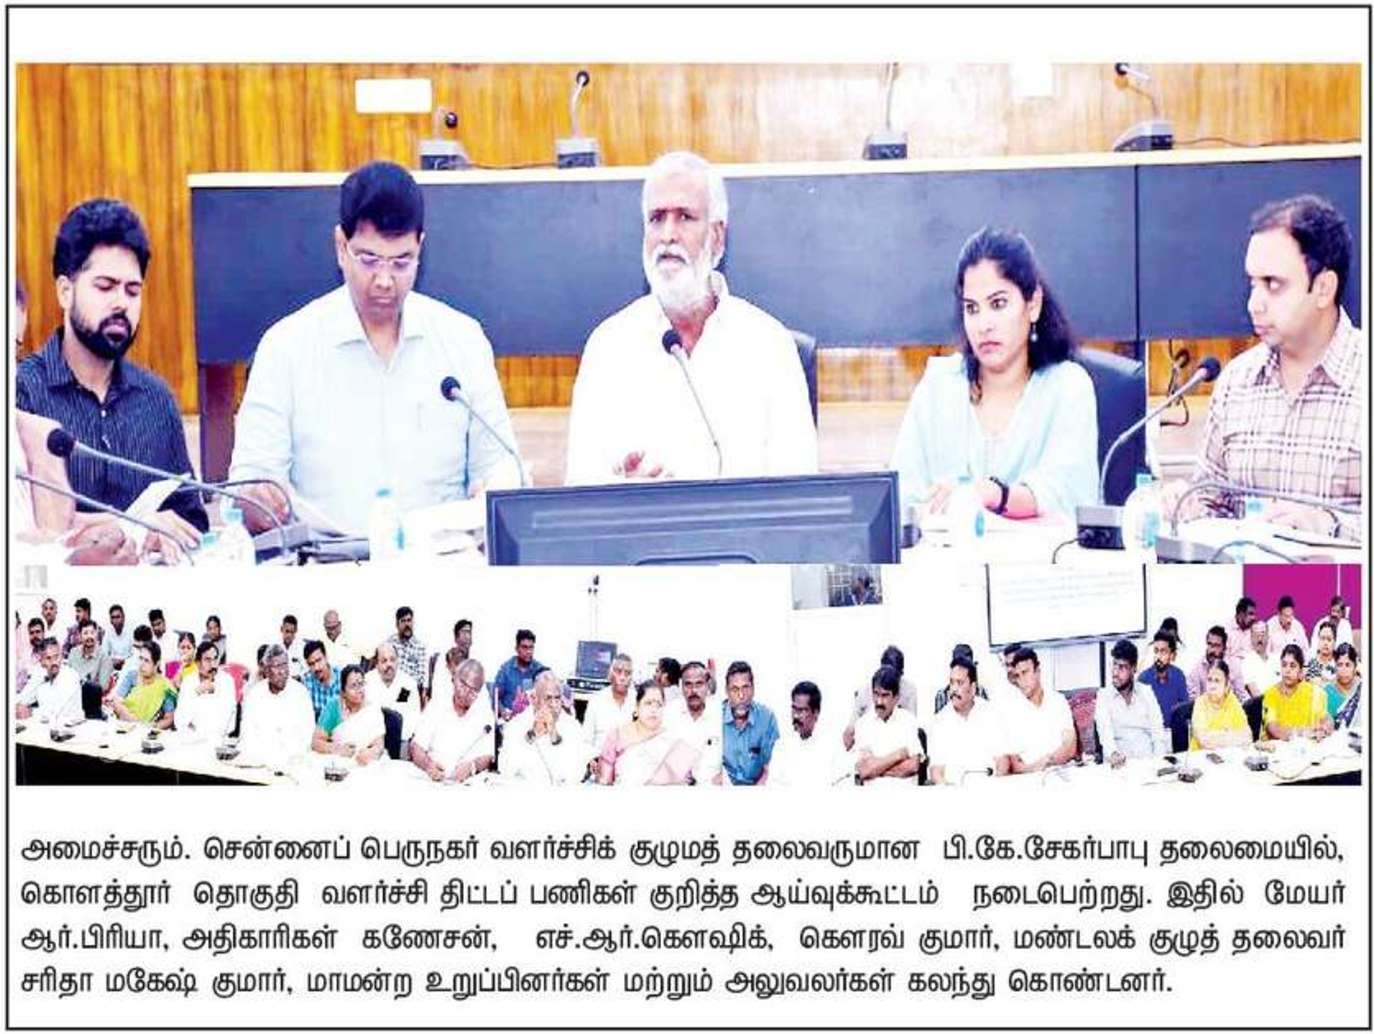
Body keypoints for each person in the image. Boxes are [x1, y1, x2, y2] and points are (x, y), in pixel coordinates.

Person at [229, 160, 521, 536]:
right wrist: (257, 499)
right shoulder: (286, 348)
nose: (384, 280)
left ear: (420, 249)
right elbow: (250, 484)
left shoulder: (462, 340)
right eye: (368, 260)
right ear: (341, 247)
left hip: (441, 559)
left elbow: (500, 463)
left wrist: (497, 486)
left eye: (401, 262)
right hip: (326, 562)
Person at [564, 150, 817, 485]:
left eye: (684, 217)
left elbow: (799, 493)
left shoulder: (769, 346)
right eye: (656, 218)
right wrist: (623, 495)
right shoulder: (608, 348)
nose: (668, 235)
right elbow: (579, 494)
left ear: (717, 236)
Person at [16, 198, 206, 553]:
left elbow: (191, 523)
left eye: (132, 291)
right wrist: (134, 527)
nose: (121, 303)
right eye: (105, 287)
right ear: (65, 292)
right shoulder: (19, 393)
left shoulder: (156, 400)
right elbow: (20, 527)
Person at [1176, 195, 1361, 538]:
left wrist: (1329, 526)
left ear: (1324, 288)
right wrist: (1185, 505)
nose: (1254, 304)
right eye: (1252, 283)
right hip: (1244, 573)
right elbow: (1211, 501)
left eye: (1273, 285)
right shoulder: (1236, 381)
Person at [890, 226, 1098, 520]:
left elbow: (1065, 496)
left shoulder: (1068, 387)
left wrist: (991, 494)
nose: (983, 324)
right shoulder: (939, 386)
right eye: (972, 309)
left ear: (1033, 304)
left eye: (998, 304)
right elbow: (902, 498)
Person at [409, 658, 495, 784]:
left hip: (468, 783)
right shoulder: (437, 704)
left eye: (473, 690)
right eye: (463, 684)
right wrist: (428, 765)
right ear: (454, 678)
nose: (465, 693)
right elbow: (416, 747)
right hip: (432, 780)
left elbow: (488, 755)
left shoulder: (485, 714)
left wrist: (473, 766)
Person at [928, 657, 1012, 784]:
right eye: (951, 683)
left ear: (973, 688)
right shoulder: (939, 721)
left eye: (959, 683)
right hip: (953, 790)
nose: (954, 689)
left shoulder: (991, 714)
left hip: (989, 787)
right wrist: (946, 789)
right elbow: (936, 772)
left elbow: (1003, 762)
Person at [500, 671, 593, 785]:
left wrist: (555, 737)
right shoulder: (516, 726)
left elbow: (577, 773)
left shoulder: (573, 727)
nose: (554, 705)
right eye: (548, 698)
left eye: (557, 698)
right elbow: (505, 769)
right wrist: (533, 734)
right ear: (534, 699)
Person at [597, 681, 695, 785]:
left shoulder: (673, 739)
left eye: (659, 705)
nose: (654, 710)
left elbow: (685, 781)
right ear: (637, 706)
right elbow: (604, 781)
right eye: (648, 703)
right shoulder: (617, 736)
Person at [238, 644, 315, 769]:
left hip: (293, 763)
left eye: (285, 665)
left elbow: (307, 735)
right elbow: (247, 734)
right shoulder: (255, 694)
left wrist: (288, 758)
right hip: (259, 762)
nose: (282, 671)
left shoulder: (301, 693)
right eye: (277, 666)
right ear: (267, 671)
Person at [1095, 639, 1167, 766]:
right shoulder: (1103, 697)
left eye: (1122, 667)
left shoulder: (1146, 693)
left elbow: (1158, 733)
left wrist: (1158, 763)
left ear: (1133, 668)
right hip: (1119, 766)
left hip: (1147, 763)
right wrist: (1113, 754)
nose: (1115, 673)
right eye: (1114, 665)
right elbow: (1105, 736)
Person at [1005, 647, 1077, 774]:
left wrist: (1048, 761)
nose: (1022, 680)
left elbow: (1070, 746)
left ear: (1037, 672)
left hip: (1062, 770)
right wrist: (1036, 768)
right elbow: (1015, 764)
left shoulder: (1057, 701)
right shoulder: (1012, 710)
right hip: (1030, 777)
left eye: (1025, 672)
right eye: (1017, 676)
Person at [853, 665, 924, 784]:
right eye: (876, 694)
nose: (879, 701)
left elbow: (913, 766)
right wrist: (898, 755)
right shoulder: (862, 724)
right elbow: (864, 770)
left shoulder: (908, 721)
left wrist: (876, 768)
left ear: (896, 698)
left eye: (885, 695)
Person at [844, 644, 919, 749]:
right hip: (870, 737)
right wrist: (850, 730)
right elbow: (854, 721)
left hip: (898, 739)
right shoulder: (864, 690)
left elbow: (911, 726)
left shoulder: (909, 690)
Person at [312, 664, 386, 766]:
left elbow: (379, 745)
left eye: (361, 684)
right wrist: (337, 749)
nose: (359, 690)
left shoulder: (372, 708)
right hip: (339, 763)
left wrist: (371, 753)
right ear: (343, 692)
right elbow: (316, 742)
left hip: (367, 763)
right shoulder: (334, 707)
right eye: (353, 686)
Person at [721, 660, 780, 786]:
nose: (741, 696)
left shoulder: (767, 718)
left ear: (753, 688)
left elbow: (771, 767)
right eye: (734, 689)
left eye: (745, 688)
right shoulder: (715, 717)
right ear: (726, 691)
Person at [662, 660, 721, 784]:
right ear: (681, 687)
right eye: (688, 684)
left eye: (699, 684)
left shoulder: (720, 715)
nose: (693, 690)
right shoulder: (668, 713)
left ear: (707, 685)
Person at [1262, 644, 1334, 741]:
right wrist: (1302, 733)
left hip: (1307, 746)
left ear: (1300, 671)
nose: (1287, 670)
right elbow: (1273, 728)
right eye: (1284, 665)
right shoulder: (1270, 694)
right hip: (1278, 747)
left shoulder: (1312, 692)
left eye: (1292, 666)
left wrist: (1324, 728)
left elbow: (1327, 718)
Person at [173, 641, 236, 741]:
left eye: (215, 659)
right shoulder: (189, 682)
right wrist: (196, 693)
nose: (213, 665)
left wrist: (215, 691)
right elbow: (179, 720)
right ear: (197, 663)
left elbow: (227, 722)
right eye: (207, 660)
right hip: (190, 738)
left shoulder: (226, 681)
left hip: (218, 740)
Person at [15, 638, 82, 724]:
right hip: (46, 725)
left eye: (56, 657)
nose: (54, 662)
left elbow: (57, 712)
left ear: (61, 656)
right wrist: (17, 706)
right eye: (48, 658)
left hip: (71, 726)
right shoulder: (40, 674)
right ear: (41, 661)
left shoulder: (70, 676)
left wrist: (31, 711)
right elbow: (23, 697)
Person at [1189, 659, 1252, 750]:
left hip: (1228, 755)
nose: (1212, 686)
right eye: (1209, 680)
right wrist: (1230, 734)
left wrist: (1216, 736)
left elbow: (1248, 737)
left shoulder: (1232, 701)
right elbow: (1204, 741)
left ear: (1227, 685)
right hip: (1201, 755)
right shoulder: (1200, 703)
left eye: (1217, 681)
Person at [111, 641, 176, 728]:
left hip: (148, 730)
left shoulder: (165, 686)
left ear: (157, 664)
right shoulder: (132, 676)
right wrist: (134, 722)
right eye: (140, 658)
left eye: (146, 661)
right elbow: (117, 701)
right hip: (125, 725)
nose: (141, 664)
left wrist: (152, 728)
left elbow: (169, 718)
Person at [582, 652, 636, 755]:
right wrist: (592, 759)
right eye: (618, 672)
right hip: (600, 760)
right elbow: (586, 741)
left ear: (632, 676)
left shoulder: (638, 701)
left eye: (627, 673)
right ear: (610, 674)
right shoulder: (596, 701)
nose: (622, 677)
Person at [364, 641, 419, 742]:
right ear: (376, 664)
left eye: (392, 660)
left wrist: (398, 738)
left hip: (401, 740)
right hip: (372, 739)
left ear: (398, 661)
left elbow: (413, 717)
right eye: (384, 661)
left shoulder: (407, 684)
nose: (389, 664)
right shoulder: (366, 682)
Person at [492, 629, 548, 723]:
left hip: (531, 720)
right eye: (524, 647)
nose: (529, 651)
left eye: (531, 647)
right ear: (517, 648)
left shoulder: (539, 669)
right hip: (509, 719)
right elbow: (496, 697)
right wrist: (502, 711)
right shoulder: (506, 669)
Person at [1185, 626, 1246, 704]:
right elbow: (1194, 701)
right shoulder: (1197, 669)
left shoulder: (1234, 666)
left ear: (1224, 648)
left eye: (1217, 645)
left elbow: (1241, 697)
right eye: (1210, 644)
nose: (1212, 650)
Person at [1139, 630, 1189, 721]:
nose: (1158, 656)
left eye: (1163, 651)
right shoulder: (1143, 679)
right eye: (1156, 651)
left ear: (1172, 655)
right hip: (1151, 728)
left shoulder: (1179, 676)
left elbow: (1184, 710)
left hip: (1174, 728)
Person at [387, 605, 428, 700]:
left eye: (409, 620)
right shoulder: (389, 644)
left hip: (410, 692)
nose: (407, 624)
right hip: (391, 688)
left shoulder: (419, 647)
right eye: (403, 621)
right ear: (397, 625)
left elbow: (421, 677)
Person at [67, 619, 113, 694]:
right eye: (85, 633)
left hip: (93, 696)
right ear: (80, 636)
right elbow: (67, 678)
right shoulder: (73, 653)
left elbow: (103, 687)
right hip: (73, 694)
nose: (89, 636)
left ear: (96, 635)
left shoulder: (104, 656)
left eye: (92, 633)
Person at [429, 618, 473, 695]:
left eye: (469, 632)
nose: (467, 636)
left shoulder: (471, 663)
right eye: (464, 632)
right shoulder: (447, 658)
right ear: (456, 637)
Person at [301, 639, 341, 719]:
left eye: (318, 660)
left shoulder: (343, 678)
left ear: (326, 657)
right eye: (311, 664)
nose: (316, 668)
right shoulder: (306, 682)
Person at [1325, 643, 1362, 729]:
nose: (1343, 670)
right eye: (1340, 665)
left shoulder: (1363, 689)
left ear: (1355, 666)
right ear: (1335, 666)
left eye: (1348, 665)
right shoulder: (1327, 691)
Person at [1242, 621, 1280, 701]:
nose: (1259, 639)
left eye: (1262, 635)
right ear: (1251, 638)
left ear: (1268, 636)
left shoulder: (1277, 659)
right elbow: (1255, 694)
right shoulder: (1247, 662)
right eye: (1256, 635)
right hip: (1259, 705)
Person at [1224, 596, 1259, 668]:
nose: (1254, 618)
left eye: (1254, 614)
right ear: (1241, 614)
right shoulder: (1227, 630)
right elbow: (1224, 657)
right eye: (1250, 614)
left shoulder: (1256, 630)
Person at [105, 603, 133, 668]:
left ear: (123, 618)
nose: (116, 620)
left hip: (128, 666)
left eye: (118, 617)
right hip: (112, 667)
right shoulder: (108, 633)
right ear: (110, 620)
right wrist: (112, 661)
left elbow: (134, 655)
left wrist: (124, 661)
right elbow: (104, 654)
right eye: (113, 617)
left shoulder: (131, 632)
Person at [279, 614, 306, 679]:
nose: (289, 635)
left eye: (292, 632)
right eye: (287, 631)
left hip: (298, 681)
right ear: (281, 629)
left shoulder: (303, 647)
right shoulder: (275, 647)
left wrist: (299, 676)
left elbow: (308, 669)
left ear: (296, 631)